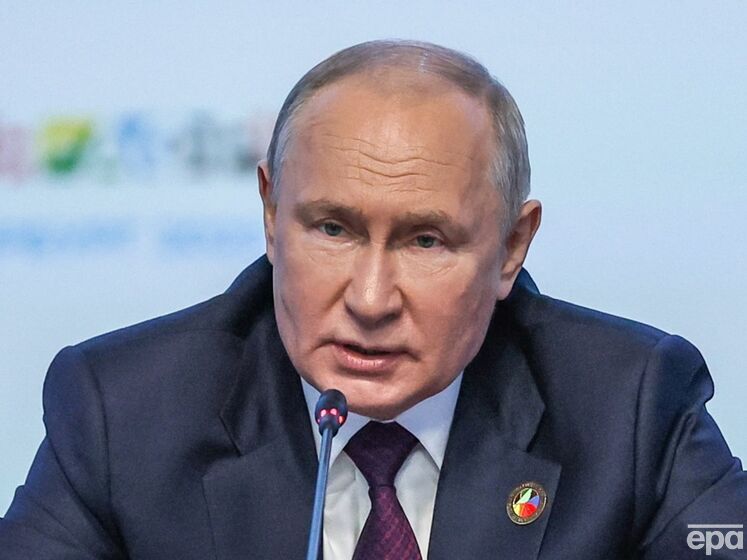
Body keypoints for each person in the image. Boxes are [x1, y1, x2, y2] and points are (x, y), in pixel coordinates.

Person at [1, 40, 745, 560]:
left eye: (425, 241)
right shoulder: (121, 412)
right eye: (332, 229)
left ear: (511, 247)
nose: (369, 298)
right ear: (271, 214)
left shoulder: (631, 407)